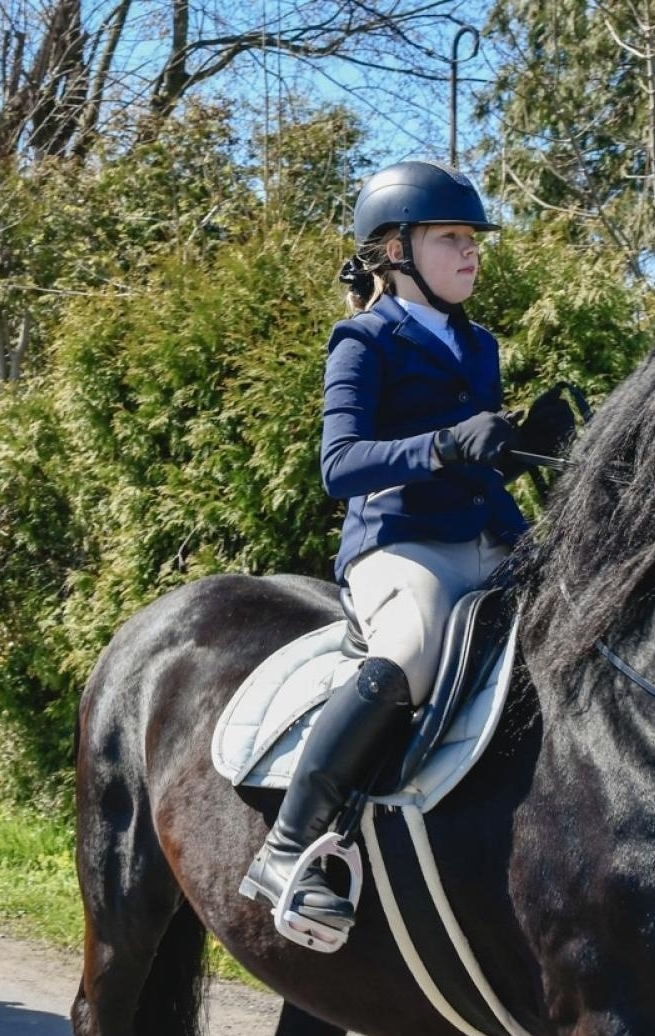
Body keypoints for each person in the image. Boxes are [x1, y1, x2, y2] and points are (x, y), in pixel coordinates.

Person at [238, 161, 575, 940]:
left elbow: (476, 453)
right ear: (394, 249)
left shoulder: (478, 343)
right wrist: (446, 446)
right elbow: (339, 464)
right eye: (451, 237)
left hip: (490, 535)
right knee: (414, 648)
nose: (471, 252)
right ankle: (290, 847)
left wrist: (521, 447)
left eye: (473, 239)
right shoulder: (363, 341)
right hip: (399, 543)